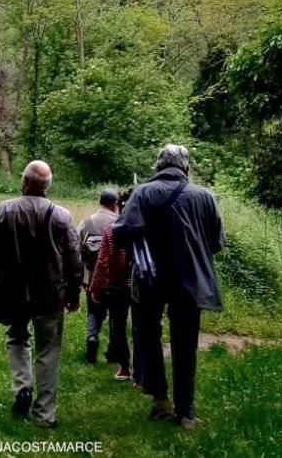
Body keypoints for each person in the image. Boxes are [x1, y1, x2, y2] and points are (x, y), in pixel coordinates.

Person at [112, 144, 224, 429]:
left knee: (148, 335)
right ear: (187, 168)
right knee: (185, 344)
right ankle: (185, 412)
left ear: (159, 167)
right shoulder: (206, 197)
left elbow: (122, 232)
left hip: (151, 278)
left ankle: (160, 399)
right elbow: (216, 244)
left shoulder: (144, 193)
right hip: (191, 280)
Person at [0, 160, 82, 429]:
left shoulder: (3, 210)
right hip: (50, 295)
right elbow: (74, 259)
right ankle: (44, 414)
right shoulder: (62, 216)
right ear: (47, 187)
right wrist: (74, 295)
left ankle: (22, 387)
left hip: (12, 293)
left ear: (24, 182)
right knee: (48, 351)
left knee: (16, 337)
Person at [76, 188, 119, 365]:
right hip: (114, 278)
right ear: (115, 204)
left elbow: (76, 248)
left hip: (91, 277)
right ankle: (112, 351)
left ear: (100, 201)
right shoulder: (119, 222)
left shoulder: (87, 223)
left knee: (94, 311)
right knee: (115, 315)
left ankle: (92, 337)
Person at [88, 221, 133, 382]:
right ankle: (144, 370)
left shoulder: (113, 231)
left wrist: (95, 288)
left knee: (118, 326)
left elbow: (102, 262)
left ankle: (125, 367)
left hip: (118, 286)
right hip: (146, 284)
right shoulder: (151, 227)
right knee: (145, 327)